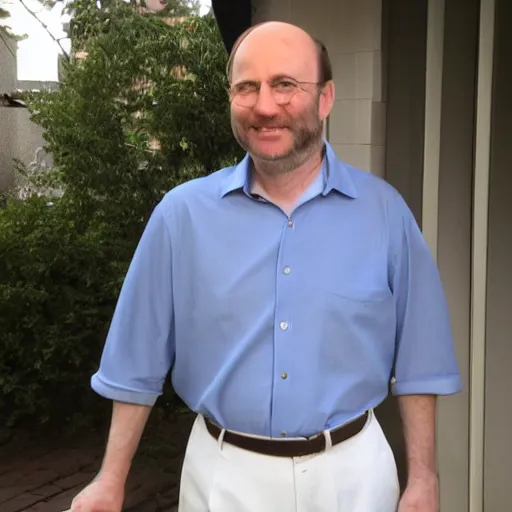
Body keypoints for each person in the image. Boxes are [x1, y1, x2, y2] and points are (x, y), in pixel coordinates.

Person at [69, 21, 461, 512]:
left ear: (325, 98)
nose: (265, 105)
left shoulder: (385, 214)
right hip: (222, 476)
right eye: (247, 87)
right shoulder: (181, 215)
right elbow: (135, 360)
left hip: (354, 475)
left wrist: (423, 478)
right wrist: (111, 479)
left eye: (285, 85)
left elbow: (421, 361)